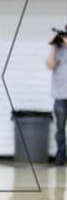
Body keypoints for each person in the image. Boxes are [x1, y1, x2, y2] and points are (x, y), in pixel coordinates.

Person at [46, 27, 67, 166]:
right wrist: (53, 46)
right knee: (60, 129)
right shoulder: (58, 50)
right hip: (60, 96)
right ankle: (60, 156)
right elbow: (50, 65)